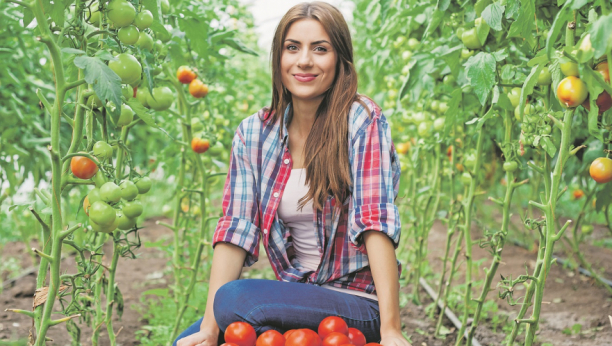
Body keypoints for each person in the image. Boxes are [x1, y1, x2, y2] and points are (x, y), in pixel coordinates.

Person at [175, 2, 409, 346]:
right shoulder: (254, 133)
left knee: (237, 300)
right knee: (188, 337)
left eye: (320, 49)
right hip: (299, 296)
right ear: (279, 58)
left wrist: (391, 331)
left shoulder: (361, 120)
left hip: (357, 302)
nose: (304, 61)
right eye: (292, 47)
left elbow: (375, 221)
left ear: (339, 60)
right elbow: (236, 230)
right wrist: (210, 330)